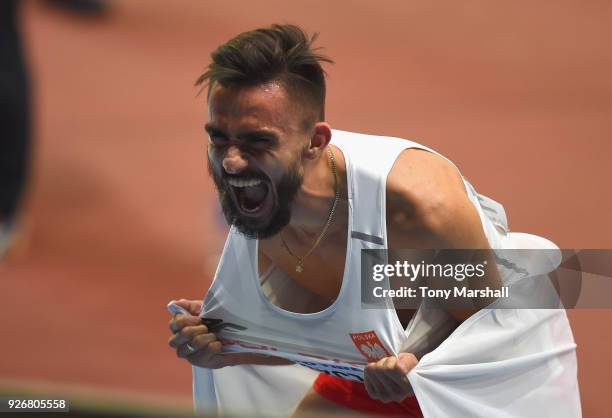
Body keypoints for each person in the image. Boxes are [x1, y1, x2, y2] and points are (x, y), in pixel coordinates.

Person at [168, 24, 580, 417]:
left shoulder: (417, 206)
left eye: (258, 141)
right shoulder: (256, 198)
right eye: (219, 138)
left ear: (316, 141)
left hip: (488, 381)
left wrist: (415, 359)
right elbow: (333, 334)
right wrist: (231, 340)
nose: (232, 161)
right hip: (378, 374)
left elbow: (480, 320)